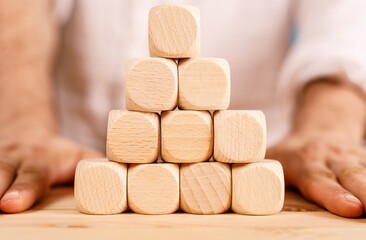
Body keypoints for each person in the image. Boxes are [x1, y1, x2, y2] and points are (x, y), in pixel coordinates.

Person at [1, 0, 366, 217]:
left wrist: (327, 132)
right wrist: (23, 123)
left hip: (249, 160)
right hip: (71, 154)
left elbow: (343, 17)